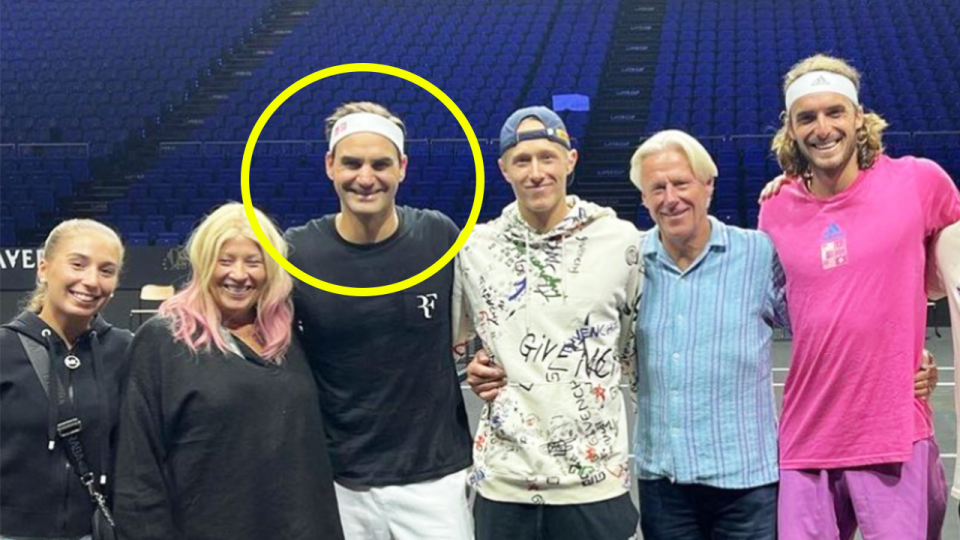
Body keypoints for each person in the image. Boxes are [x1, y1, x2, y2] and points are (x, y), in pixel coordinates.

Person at [759, 53, 960, 539]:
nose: (822, 128)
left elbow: (949, 270)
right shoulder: (775, 208)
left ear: (858, 118)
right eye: (806, 117)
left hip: (894, 434)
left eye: (834, 112)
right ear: (790, 128)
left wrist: (916, 351)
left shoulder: (919, 181)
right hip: (805, 441)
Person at [284, 102, 473, 540]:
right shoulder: (297, 253)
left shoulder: (437, 236)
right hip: (339, 480)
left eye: (380, 164)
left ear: (402, 168)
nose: (365, 178)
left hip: (436, 481)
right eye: (351, 163)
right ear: (330, 165)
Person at [455, 106, 642, 540]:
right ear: (503, 169)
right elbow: (454, 344)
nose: (536, 172)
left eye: (547, 157)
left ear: (570, 160)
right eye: (522, 160)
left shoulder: (622, 242)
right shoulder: (475, 250)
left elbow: (632, 352)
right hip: (504, 482)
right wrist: (477, 365)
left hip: (595, 482)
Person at [112, 203, 343, 540]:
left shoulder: (291, 338)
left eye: (254, 261)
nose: (239, 274)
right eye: (225, 260)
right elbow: (137, 466)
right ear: (204, 264)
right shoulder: (164, 340)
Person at [624, 129, 788, 539]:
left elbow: (822, 325)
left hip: (748, 483)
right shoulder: (629, 264)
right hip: (663, 481)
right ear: (643, 199)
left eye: (681, 183)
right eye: (656, 188)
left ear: (708, 185)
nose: (670, 198)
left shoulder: (757, 253)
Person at [0, 219, 131, 540]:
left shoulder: (126, 350)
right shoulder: (4, 349)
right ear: (43, 269)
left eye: (106, 270)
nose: (91, 281)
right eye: (78, 264)